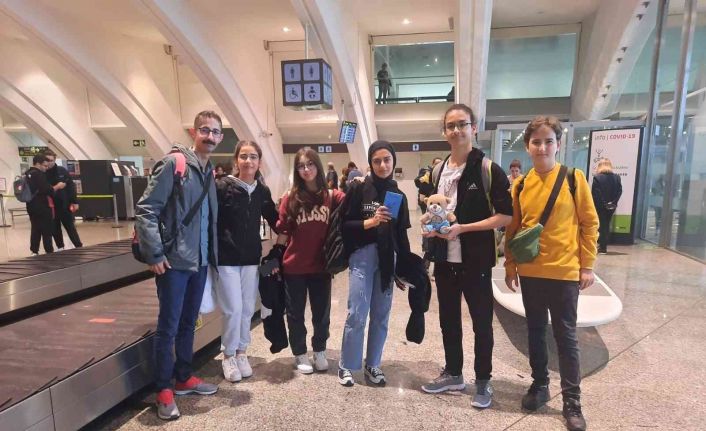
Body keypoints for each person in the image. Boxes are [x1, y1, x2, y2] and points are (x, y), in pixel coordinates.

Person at [504, 116, 598, 431]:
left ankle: (572, 400)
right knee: (534, 331)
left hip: (564, 272)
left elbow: (589, 223)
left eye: (548, 141)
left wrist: (587, 265)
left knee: (565, 336)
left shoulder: (573, 178)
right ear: (527, 146)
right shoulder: (520, 185)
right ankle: (540, 384)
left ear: (558, 144)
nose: (542, 147)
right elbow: (513, 228)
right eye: (536, 142)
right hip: (532, 271)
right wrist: (510, 264)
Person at [420, 104, 512, 409]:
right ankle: (454, 373)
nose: (457, 130)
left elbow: (506, 216)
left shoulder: (488, 169)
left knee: (481, 323)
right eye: (451, 125)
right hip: (445, 260)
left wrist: (464, 229)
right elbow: (435, 210)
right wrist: (431, 228)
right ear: (444, 132)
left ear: (474, 128)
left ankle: (483, 379)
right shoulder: (438, 171)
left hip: (476, 260)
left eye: (462, 124)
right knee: (448, 320)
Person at [135, 110, 222, 421]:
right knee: (168, 327)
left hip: (199, 261)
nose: (210, 136)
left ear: (220, 137)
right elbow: (146, 209)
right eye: (204, 130)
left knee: (188, 323)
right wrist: (155, 254)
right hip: (174, 262)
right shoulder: (175, 164)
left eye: (215, 132)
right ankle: (163, 388)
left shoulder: (208, 171)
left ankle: (184, 376)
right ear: (193, 132)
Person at [338, 140, 411, 387]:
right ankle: (347, 364)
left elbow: (401, 234)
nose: (382, 165)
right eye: (377, 161)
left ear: (393, 161)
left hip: (388, 257)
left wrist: (404, 268)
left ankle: (373, 364)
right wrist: (371, 222)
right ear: (370, 163)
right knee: (357, 313)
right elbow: (344, 226)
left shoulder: (398, 194)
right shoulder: (359, 189)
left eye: (387, 160)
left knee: (381, 314)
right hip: (362, 256)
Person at [269, 148, 345, 374]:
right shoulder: (290, 198)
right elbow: (284, 231)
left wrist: (361, 183)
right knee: (295, 314)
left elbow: (354, 204)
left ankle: (319, 350)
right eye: (301, 166)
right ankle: (300, 353)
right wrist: (275, 257)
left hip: (322, 265)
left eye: (310, 164)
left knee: (322, 314)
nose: (306, 169)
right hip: (295, 266)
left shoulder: (332, 196)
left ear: (318, 166)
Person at [216, 140, 278, 383]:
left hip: (251, 258)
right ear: (236, 160)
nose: (248, 161)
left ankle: (242, 351)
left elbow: (275, 219)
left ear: (259, 161)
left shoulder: (261, 191)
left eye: (253, 157)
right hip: (227, 259)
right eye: (244, 156)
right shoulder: (222, 186)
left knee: (247, 308)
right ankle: (228, 354)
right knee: (233, 309)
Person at [26, 154, 65, 255]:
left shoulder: (28, 173)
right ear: (38, 164)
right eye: (45, 165)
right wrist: (58, 186)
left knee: (35, 229)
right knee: (47, 230)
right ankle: (49, 252)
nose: (46, 168)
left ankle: (34, 251)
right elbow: (47, 190)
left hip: (31, 206)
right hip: (42, 206)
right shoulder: (39, 174)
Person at [43, 149, 82, 250]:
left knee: (70, 227)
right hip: (50, 206)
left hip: (64, 204)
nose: (49, 162)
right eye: (47, 160)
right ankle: (60, 247)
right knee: (55, 228)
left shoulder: (62, 171)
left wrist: (74, 202)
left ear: (55, 160)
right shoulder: (42, 173)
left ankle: (78, 245)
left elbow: (71, 187)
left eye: (51, 160)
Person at [592, 158, 622, 254]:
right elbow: (619, 191)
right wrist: (613, 202)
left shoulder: (597, 177)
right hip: (611, 207)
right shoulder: (617, 177)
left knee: (601, 225)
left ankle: (602, 247)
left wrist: (603, 203)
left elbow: (596, 193)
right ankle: (603, 246)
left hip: (600, 206)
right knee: (606, 224)